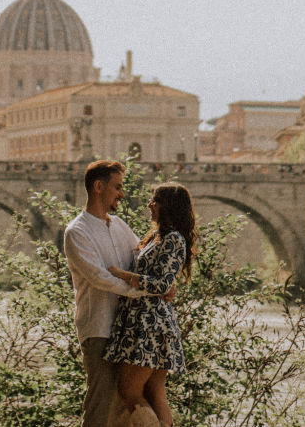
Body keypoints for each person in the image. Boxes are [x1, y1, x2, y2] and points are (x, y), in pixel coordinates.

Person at [63, 160, 148, 427]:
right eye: (117, 187)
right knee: (100, 406)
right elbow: (100, 278)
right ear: (98, 187)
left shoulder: (121, 226)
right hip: (99, 329)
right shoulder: (76, 232)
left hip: (128, 328)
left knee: (125, 405)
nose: (122, 193)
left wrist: (160, 283)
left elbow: (143, 257)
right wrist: (143, 292)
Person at [105, 182, 196, 427]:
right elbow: (165, 284)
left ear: (167, 205)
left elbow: (162, 285)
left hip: (148, 323)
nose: (149, 204)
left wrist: (122, 274)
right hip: (149, 321)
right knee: (155, 393)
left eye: (153, 200)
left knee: (129, 392)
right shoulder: (160, 237)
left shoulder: (172, 238)